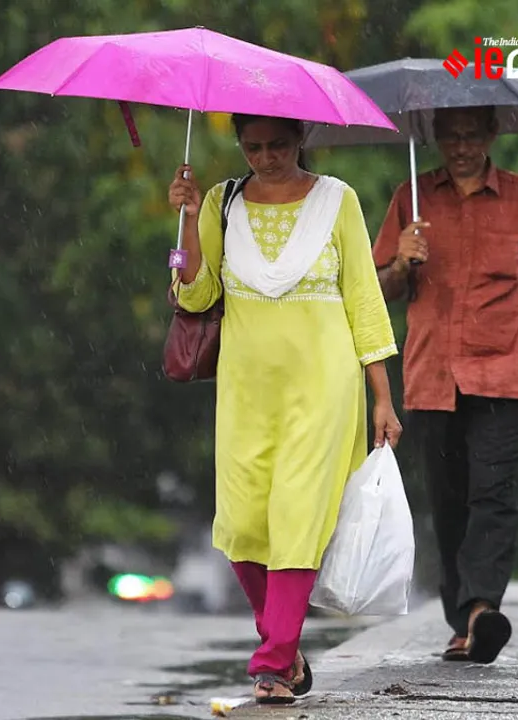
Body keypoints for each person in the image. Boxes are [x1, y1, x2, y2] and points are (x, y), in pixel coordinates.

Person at [167, 113, 402, 704]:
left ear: (301, 140)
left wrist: (381, 395)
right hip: (248, 386)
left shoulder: (337, 200)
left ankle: (272, 665)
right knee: (244, 522)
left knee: (297, 517)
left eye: (278, 145)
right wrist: (190, 219)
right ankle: (286, 648)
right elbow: (196, 293)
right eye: (253, 147)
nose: (266, 157)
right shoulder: (222, 202)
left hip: (324, 383)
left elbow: (364, 300)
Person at [371, 105, 518, 665]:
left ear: (492, 134)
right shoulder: (409, 200)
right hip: (432, 373)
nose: (460, 146)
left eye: (471, 135)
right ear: (434, 136)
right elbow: (376, 289)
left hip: (503, 369)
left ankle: (482, 609)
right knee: (448, 501)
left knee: (493, 494)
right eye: (450, 135)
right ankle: (463, 621)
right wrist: (402, 264)